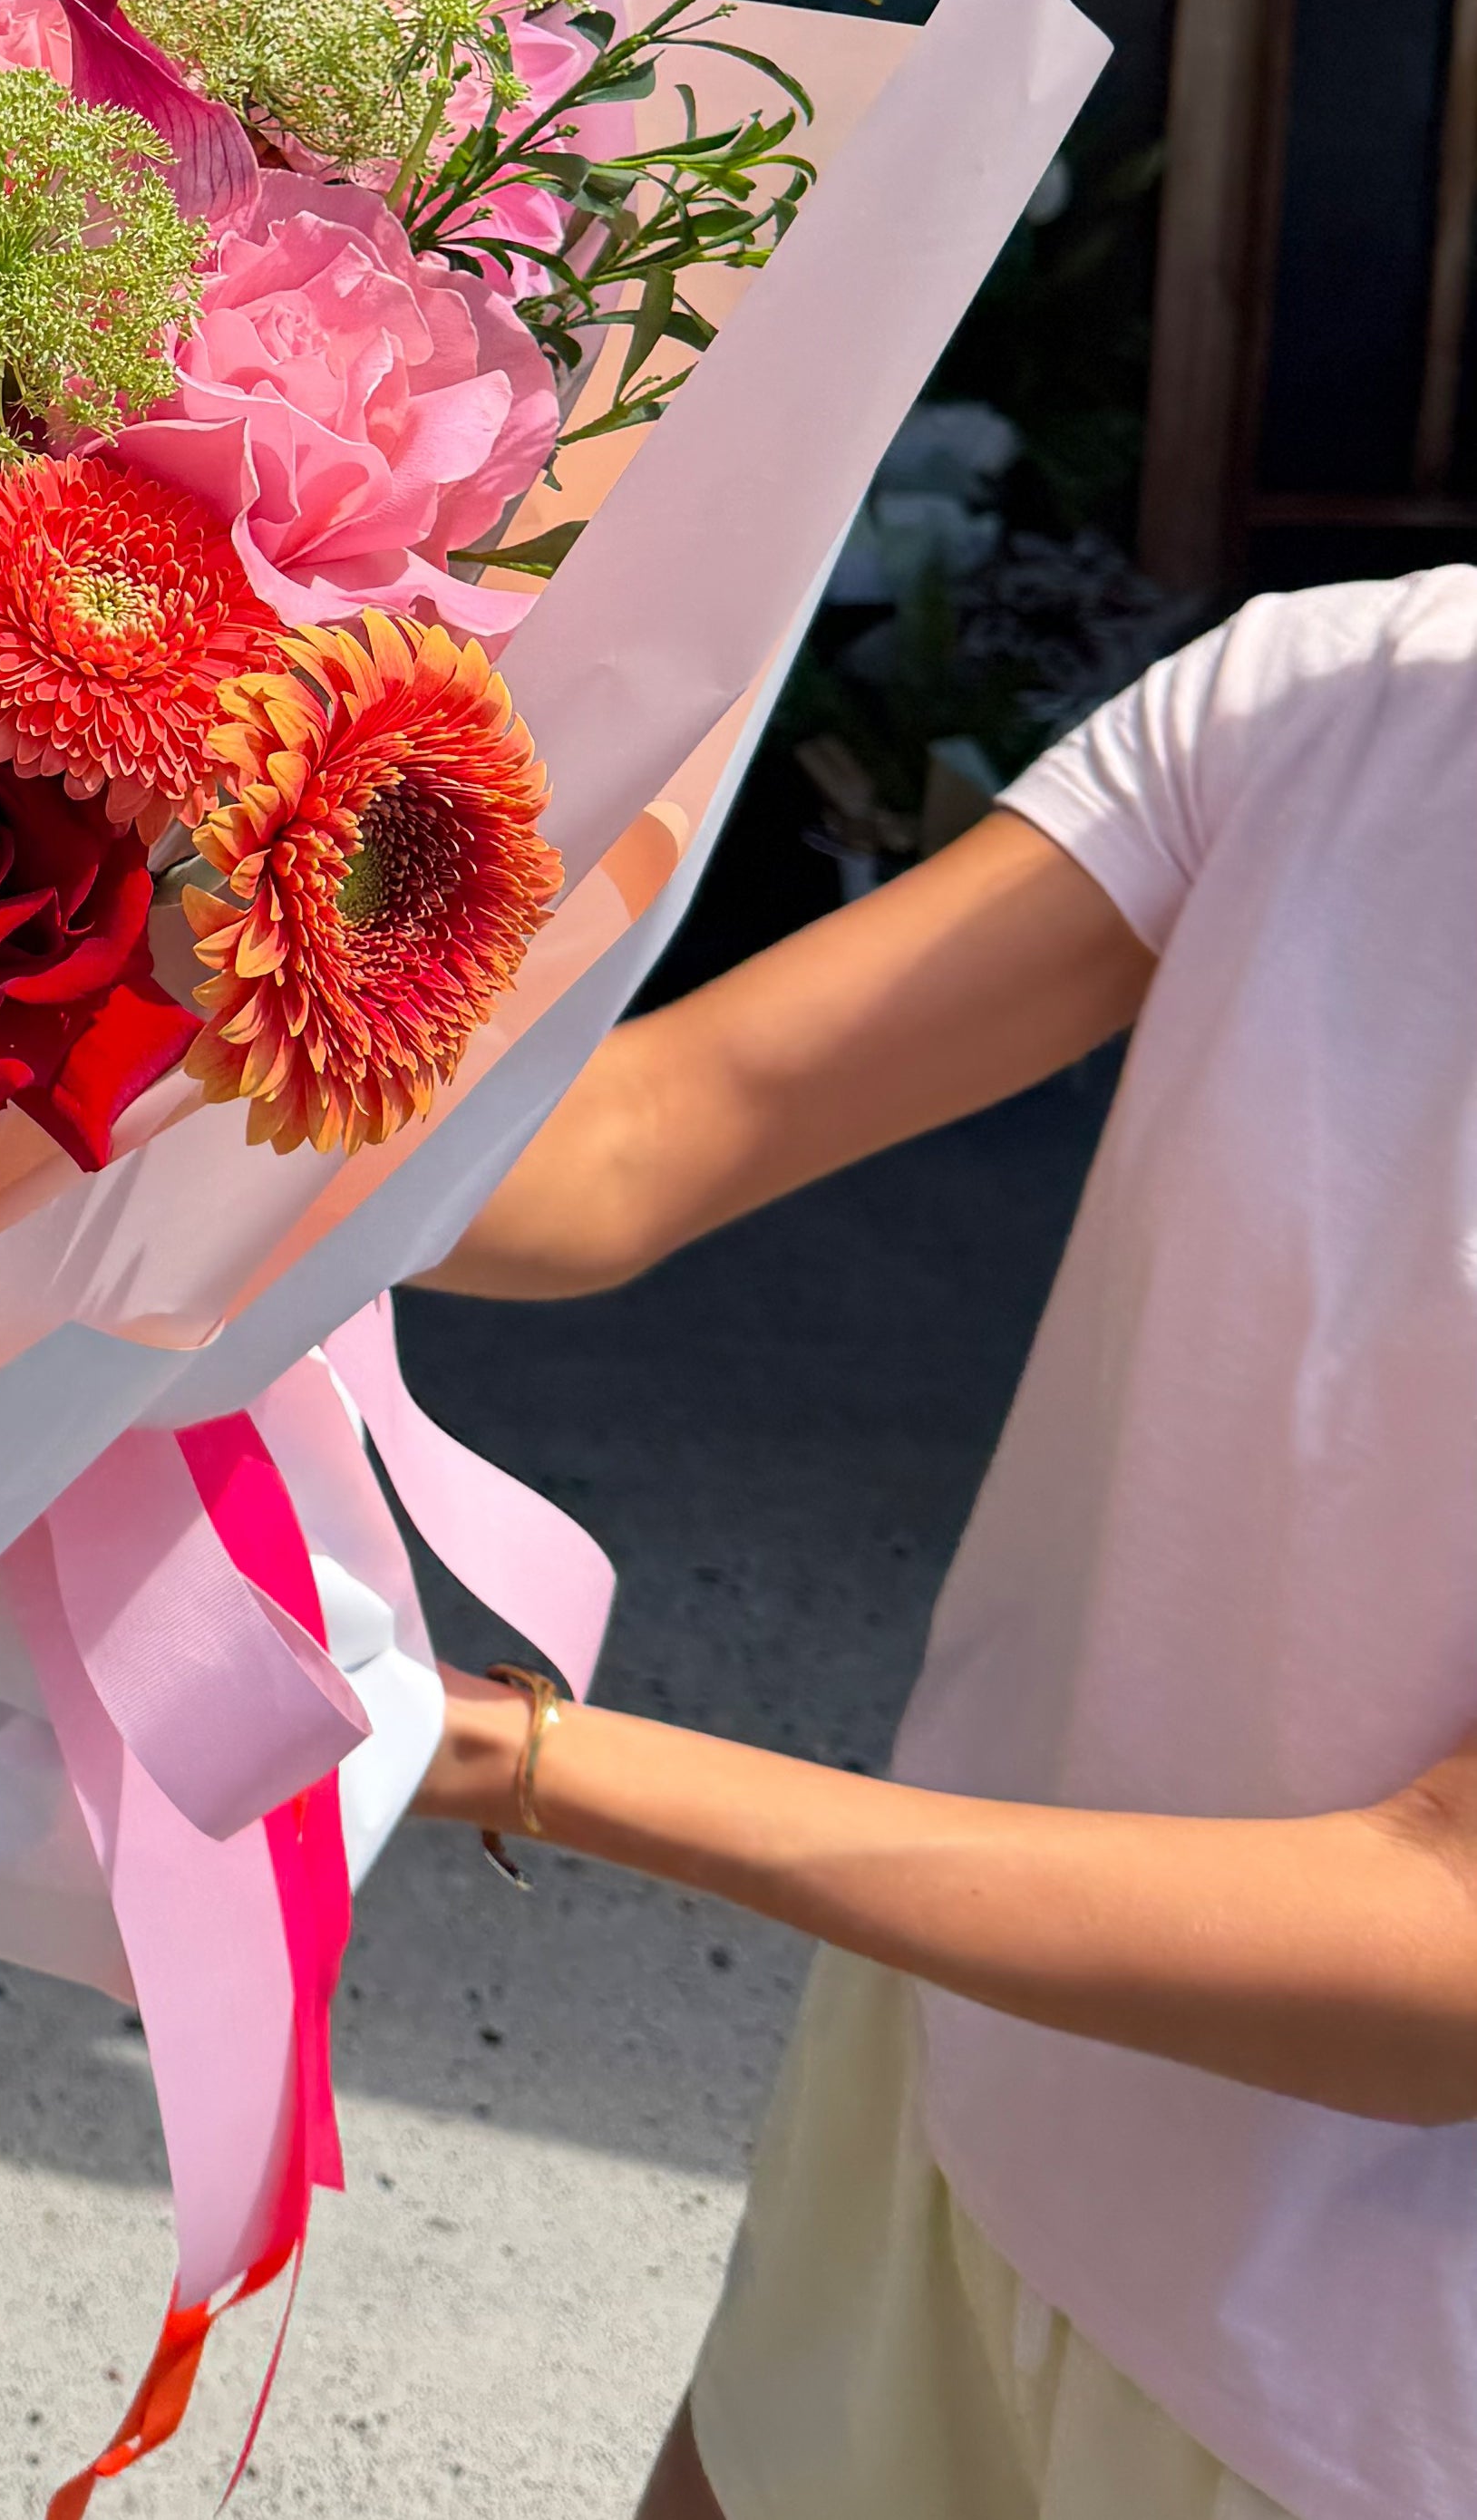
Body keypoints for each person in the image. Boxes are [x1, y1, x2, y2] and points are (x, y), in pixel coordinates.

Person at [404, 567, 1477, 2520]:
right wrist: (105, 1015)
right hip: (960, 2081)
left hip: (1345, 2390)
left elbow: (1443, 1940)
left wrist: (525, 1758)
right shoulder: (1332, 696)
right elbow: (646, 1135)